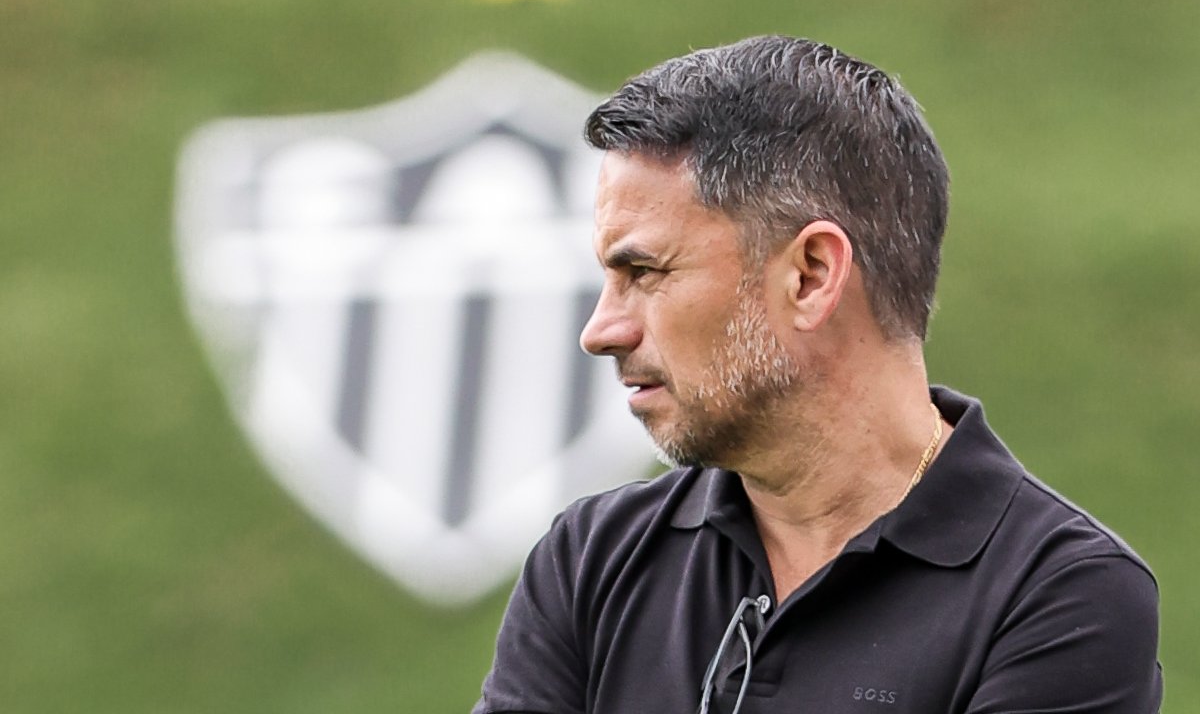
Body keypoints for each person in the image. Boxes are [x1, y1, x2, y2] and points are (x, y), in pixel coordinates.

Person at [473, 35, 1163, 713]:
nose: (601, 331)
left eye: (644, 272)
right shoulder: (590, 560)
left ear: (810, 276)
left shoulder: (1063, 596)